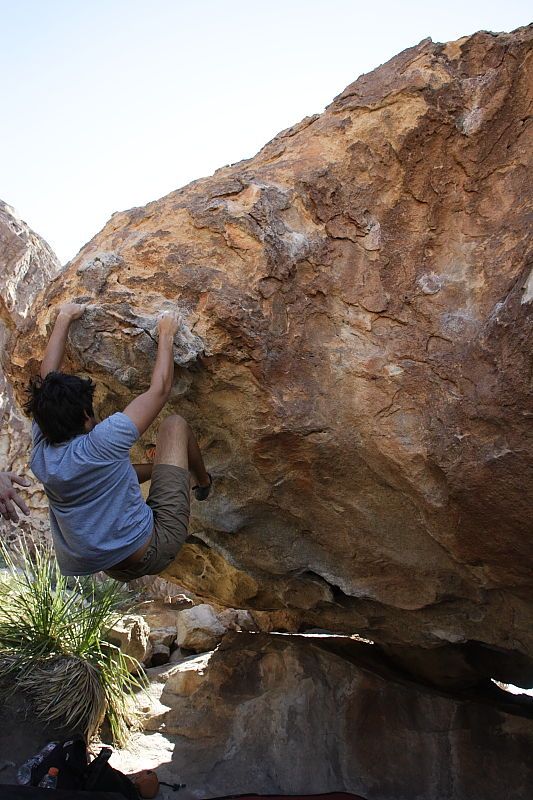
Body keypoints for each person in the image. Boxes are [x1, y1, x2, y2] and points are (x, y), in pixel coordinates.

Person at [25, 302, 212, 581]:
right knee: (175, 426)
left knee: (129, 467)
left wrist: (64, 318)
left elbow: (46, 380)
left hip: (114, 568)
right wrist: (166, 332)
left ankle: (175, 469)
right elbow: (159, 391)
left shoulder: (42, 450)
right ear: (86, 416)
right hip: (156, 547)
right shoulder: (101, 442)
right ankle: (204, 482)